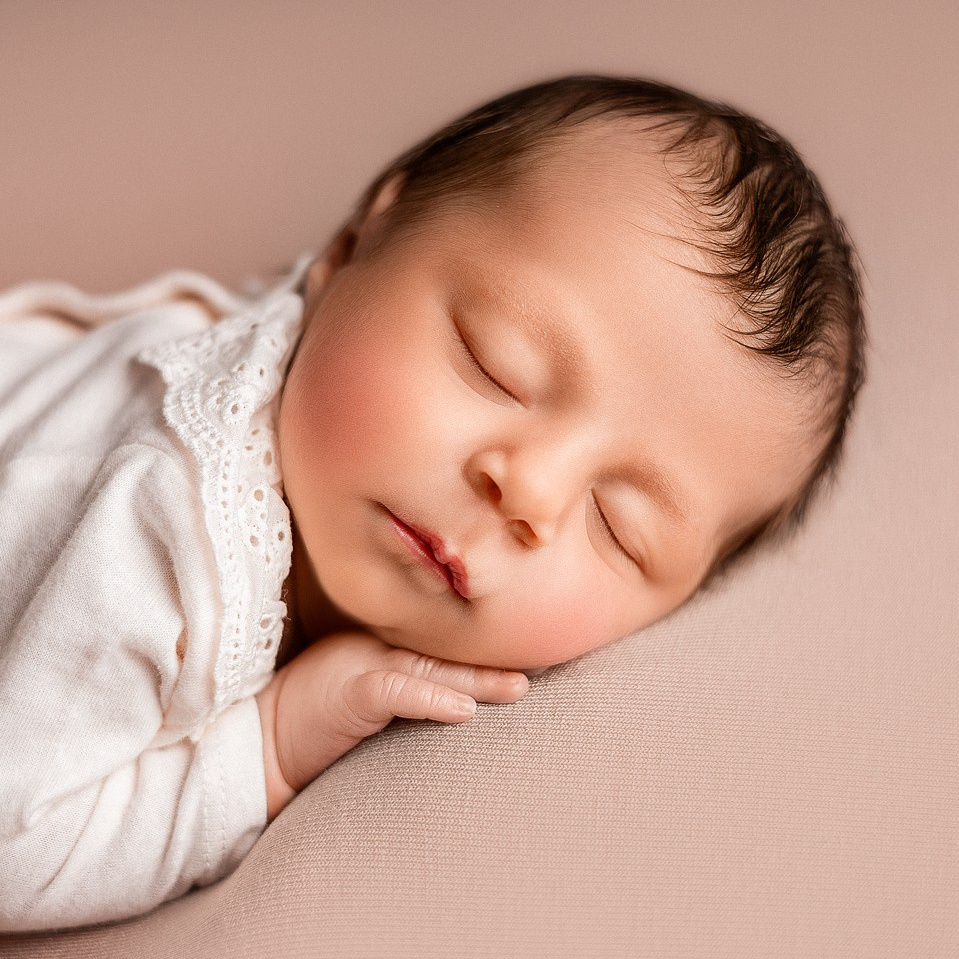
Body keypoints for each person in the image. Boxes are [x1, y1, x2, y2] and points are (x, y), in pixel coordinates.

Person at [0, 75, 864, 931]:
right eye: (497, 363)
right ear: (348, 248)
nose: (529, 490)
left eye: (620, 528)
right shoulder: (156, 518)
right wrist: (265, 746)